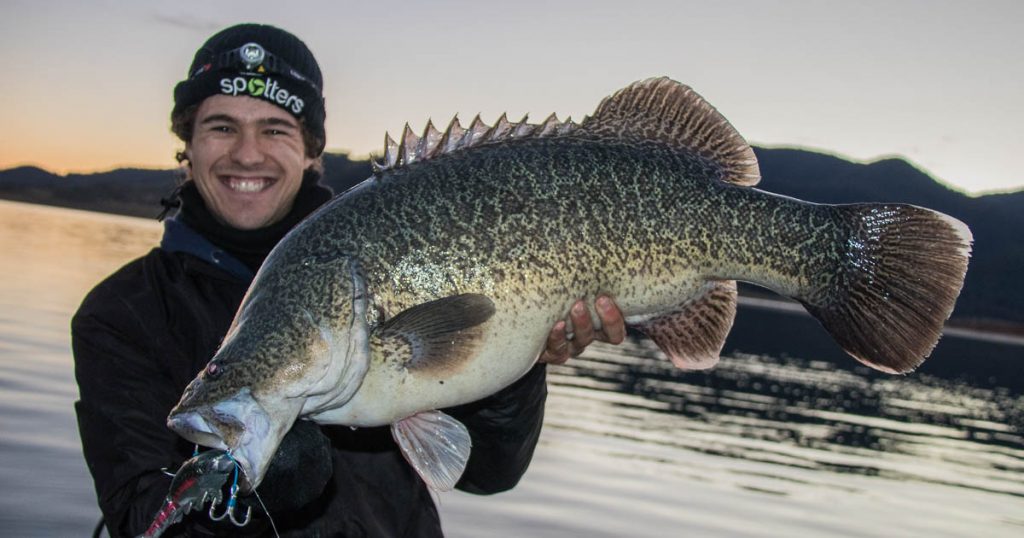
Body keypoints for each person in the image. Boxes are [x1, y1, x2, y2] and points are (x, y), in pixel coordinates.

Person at [72, 23, 625, 537]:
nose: (247, 153)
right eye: (220, 127)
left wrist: (518, 363)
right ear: (186, 145)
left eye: (275, 129)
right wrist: (260, 493)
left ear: (313, 152)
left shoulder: (386, 241)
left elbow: (487, 472)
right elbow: (140, 517)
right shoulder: (121, 314)